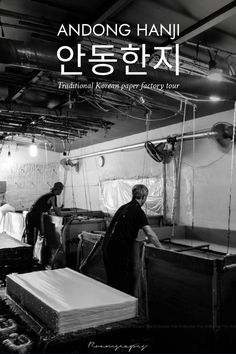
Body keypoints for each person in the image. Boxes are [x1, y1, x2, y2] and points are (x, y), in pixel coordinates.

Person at [102, 184, 163, 296]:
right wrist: (162, 250)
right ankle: (125, 310)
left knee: (112, 281)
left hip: (106, 247)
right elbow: (150, 234)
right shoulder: (138, 211)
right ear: (144, 197)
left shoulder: (123, 207)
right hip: (117, 250)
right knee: (121, 284)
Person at [25, 182, 64, 246]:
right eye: (60, 190)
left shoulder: (48, 195)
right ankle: (31, 253)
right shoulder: (53, 196)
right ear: (57, 189)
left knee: (32, 237)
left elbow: (48, 210)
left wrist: (53, 215)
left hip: (31, 215)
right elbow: (56, 209)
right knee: (33, 237)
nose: (61, 192)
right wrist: (62, 218)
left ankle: (33, 253)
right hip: (34, 216)